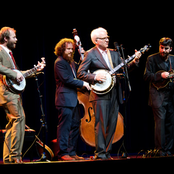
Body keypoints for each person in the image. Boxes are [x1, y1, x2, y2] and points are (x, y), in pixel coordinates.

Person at [77, 27, 141, 159]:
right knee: (101, 123)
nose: (107, 39)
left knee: (113, 123)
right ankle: (100, 153)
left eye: (107, 37)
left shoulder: (114, 53)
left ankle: (106, 152)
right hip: (100, 94)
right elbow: (80, 73)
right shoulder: (91, 54)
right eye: (104, 38)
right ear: (96, 40)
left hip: (115, 91)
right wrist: (95, 78)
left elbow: (124, 70)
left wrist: (135, 62)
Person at [0, 27, 45, 163]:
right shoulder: (0, 51)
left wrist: (36, 70)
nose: (16, 40)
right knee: (19, 119)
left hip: (12, 93)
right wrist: (14, 74)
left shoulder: (8, 54)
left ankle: (8, 158)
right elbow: (14, 74)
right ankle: (15, 157)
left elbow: (19, 75)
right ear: (6, 38)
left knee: (13, 123)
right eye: (14, 37)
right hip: (7, 93)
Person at [54, 38, 91, 161]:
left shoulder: (71, 62)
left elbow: (80, 69)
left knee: (75, 125)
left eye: (72, 49)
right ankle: (62, 153)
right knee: (65, 127)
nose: (70, 51)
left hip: (73, 100)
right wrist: (83, 84)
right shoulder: (59, 62)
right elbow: (67, 79)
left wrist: (84, 57)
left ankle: (71, 152)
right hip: (64, 100)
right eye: (68, 49)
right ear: (62, 50)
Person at [144, 37, 174, 156]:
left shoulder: (173, 59)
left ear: (170, 49)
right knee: (160, 123)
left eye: (166, 48)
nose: (163, 50)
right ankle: (160, 150)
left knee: (171, 123)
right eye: (161, 47)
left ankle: (168, 150)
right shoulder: (151, 59)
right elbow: (146, 76)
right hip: (157, 95)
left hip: (170, 95)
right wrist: (161, 75)